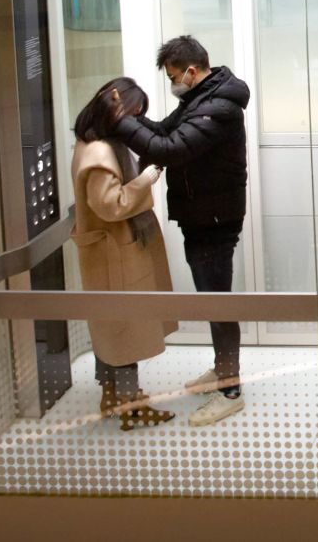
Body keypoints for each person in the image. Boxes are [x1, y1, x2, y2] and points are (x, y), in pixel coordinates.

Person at [113, 35, 251, 427]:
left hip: (214, 219)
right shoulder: (198, 100)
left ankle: (230, 391)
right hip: (202, 215)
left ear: (192, 71)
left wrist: (121, 124)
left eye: (174, 76)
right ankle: (224, 370)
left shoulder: (218, 108)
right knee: (211, 299)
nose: (172, 83)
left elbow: (171, 149)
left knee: (217, 302)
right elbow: (159, 131)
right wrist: (132, 119)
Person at [69, 77, 176, 431]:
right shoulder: (100, 154)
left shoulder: (88, 143)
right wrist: (146, 179)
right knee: (124, 330)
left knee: (112, 327)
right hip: (115, 251)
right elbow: (111, 205)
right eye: (132, 114)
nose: (132, 123)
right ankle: (132, 406)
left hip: (107, 251)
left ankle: (112, 395)